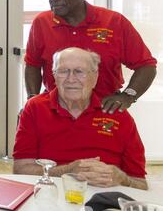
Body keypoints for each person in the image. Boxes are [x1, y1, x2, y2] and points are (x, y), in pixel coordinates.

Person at [25, 0, 157, 114]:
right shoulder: (42, 22)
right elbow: (33, 65)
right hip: (54, 111)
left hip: (104, 111)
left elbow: (146, 66)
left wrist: (127, 96)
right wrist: (32, 100)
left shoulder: (113, 22)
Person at [13, 48, 147, 190]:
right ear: (54, 76)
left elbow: (140, 184)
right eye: (63, 71)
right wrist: (67, 171)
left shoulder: (118, 116)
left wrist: (123, 179)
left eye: (79, 72)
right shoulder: (35, 108)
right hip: (50, 194)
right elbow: (21, 170)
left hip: (105, 200)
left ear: (94, 77)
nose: (71, 79)